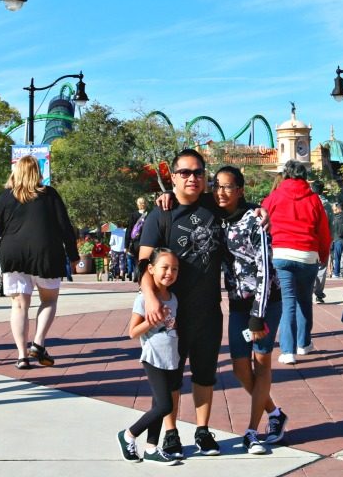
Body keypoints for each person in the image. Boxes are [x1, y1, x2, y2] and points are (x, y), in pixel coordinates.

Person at [138, 148, 223, 459]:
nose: (192, 178)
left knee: (205, 374)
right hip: (171, 314)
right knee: (171, 374)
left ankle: (202, 431)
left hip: (208, 310)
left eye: (198, 172)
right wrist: (149, 297)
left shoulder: (215, 207)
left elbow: (243, 206)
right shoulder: (161, 214)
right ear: (172, 177)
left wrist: (261, 211)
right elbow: (143, 264)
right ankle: (171, 432)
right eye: (185, 172)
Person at [0, 156, 79, 369]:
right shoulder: (50, 195)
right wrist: (73, 254)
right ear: (37, 172)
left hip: (13, 253)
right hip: (46, 253)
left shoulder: (6, 197)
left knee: (18, 305)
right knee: (49, 300)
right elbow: (65, 226)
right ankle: (39, 342)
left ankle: (22, 356)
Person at [217, 165, 287, 454]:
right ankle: (275, 413)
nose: (221, 191)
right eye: (217, 185)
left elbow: (265, 267)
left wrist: (258, 316)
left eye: (228, 186)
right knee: (239, 367)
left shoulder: (253, 220)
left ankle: (251, 431)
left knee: (261, 364)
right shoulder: (216, 218)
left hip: (265, 303)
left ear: (240, 190)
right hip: (237, 303)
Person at [116, 248, 183, 465]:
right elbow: (132, 332)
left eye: (174, 269)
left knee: (158, 403)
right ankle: (128, 434)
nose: (169, 273)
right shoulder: (144, 298)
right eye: (164, 268)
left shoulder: (173, 298)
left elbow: (171, 324)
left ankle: (152, 448)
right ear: (151, 269)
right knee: (165, 406)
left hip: (171, 356)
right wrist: (152, 320)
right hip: (152, 356)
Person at [262, 160, 330, 366]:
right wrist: (323, 256)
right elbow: (324, 232)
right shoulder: (314, 199)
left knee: (288, 302)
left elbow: (262, 224)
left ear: (285, 174)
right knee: (304, 300)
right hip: (308, 255)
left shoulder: (273, 197)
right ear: (304, 176)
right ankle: (303, 343)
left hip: (282, 253)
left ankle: (287, 350)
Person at [127, 196, 148, 283]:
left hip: (136, 242)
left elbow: (129, 229)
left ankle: (137, 274)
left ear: (137, 204)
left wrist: (126, 245)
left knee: (136, 260)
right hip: (147, 240)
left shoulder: (133, 215)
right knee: (145, 259)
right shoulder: (149, 214)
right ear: (145, 203)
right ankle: (142, 275)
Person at [329, 202, 343, 278]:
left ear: (338, 208)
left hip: (337, 239)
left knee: (337, 258)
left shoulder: (335, 217)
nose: (333, 209)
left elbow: (333, 229)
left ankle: (336, 273)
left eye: (334, 208)